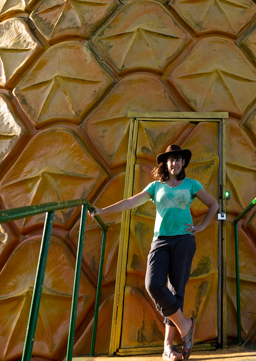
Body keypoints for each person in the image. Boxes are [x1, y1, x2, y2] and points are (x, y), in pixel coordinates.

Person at [90, 144, 220, 361]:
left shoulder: (191, 185)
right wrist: (102, 211)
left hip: (184, 240)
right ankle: (186, 326)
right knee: (153, 284)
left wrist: (201, 226)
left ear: (183, 163)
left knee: (177, 291)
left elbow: (214, 204)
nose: (175, 163)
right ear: (166, 163)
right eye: (171, 160)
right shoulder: (155, 186)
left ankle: (168, 348)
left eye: (179, 159)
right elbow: (131, 202)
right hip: (160, 240)